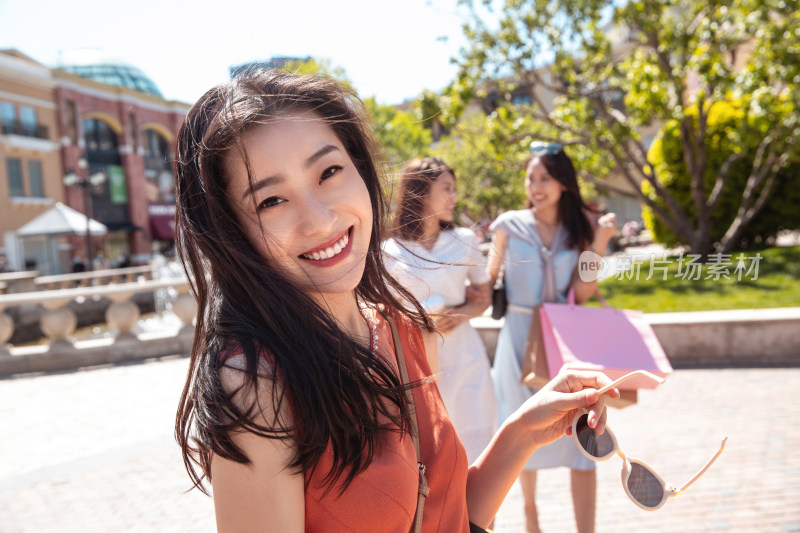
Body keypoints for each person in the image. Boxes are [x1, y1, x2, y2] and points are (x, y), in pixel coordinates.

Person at [173, 70, 619, 532]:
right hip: (521, 343)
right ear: (231, 233)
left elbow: (444, 513)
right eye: (271, 201)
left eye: (328, 172)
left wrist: (521, 432)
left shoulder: (400, 327)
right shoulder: (256, 383)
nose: (320, 219)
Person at [486, 142, 618, 533]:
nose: (536, 185)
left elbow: (582, 292)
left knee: (583, 437)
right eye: (531, 177)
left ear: (563, 183)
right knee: (520, 430)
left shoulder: (578, 231)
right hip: (517, 341)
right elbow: (486, 279)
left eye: (545, 177)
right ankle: (530, 517)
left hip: (564, 342)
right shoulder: (508, 225)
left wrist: (599, 243)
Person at [383, 157, 497, 464]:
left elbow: (483, 297)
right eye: (446, 188)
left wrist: (458, 314)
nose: (454, 197)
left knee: (477, 451)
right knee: (434, 459)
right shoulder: (388, 252)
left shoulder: (464, 240)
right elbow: (383, 313)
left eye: (454, 189)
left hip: (465, 359)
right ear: (420, 191)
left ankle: (484, 515)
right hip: (417, 368)